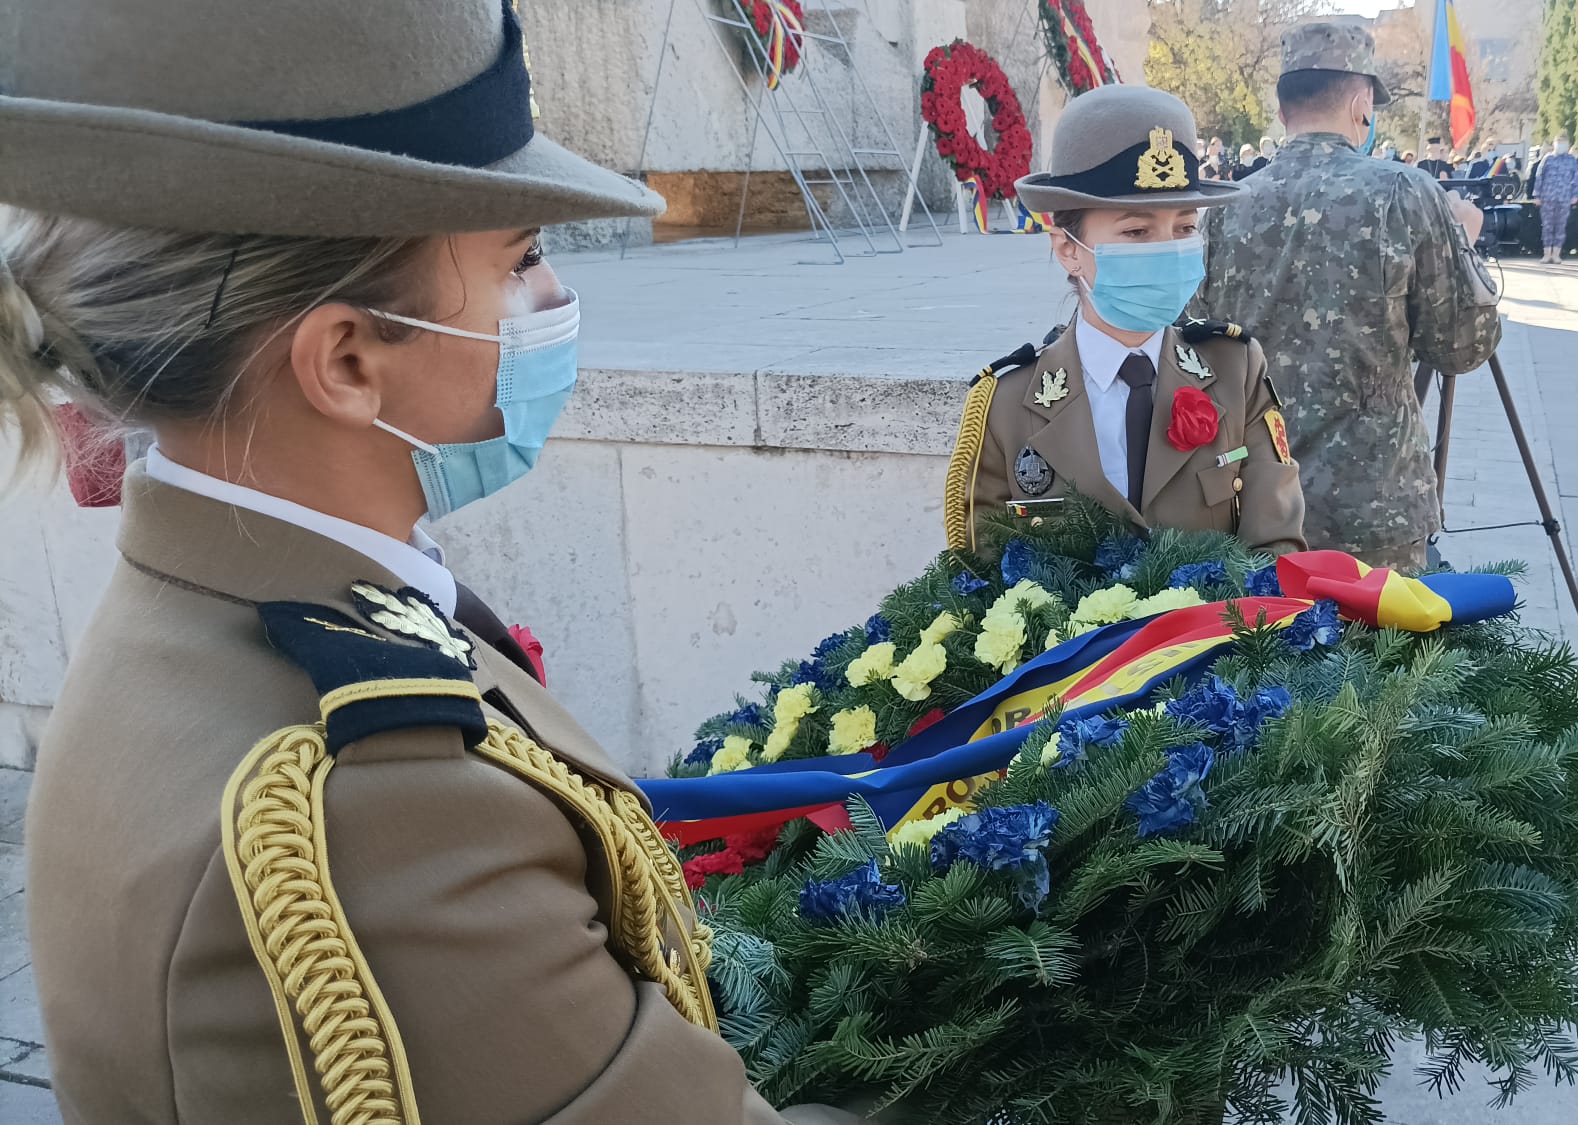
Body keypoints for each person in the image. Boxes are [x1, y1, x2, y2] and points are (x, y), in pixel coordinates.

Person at [0, 1, 873, 1122]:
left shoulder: (243, 603)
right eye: (520, 258)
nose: (553, 301)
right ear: (350, 360)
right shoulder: (375, 809)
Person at [1192, 21, 1500, 572]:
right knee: (1385, 657)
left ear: (1283, 110)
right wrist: (1465, 248)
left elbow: (1196, 343)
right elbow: (1462, 346)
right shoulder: (1403, 193)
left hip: (1254, 498)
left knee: (1264, 652)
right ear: (1362, 103)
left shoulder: (1227, 205)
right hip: (1372, 511)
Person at [948, 84, 1305, 558]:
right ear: (1067, 249)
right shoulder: (1007, 406)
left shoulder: (1236, 370)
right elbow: (981, 583)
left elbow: (1276, 548)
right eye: (1137, 231)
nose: (1167, 248)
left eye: (1184, 228)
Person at [1534, 136, 1578, 264]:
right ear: (1554, 144)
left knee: (1560, 226)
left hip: (1564, 197)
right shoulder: (1548, 159)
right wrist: (1537, 195)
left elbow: (1576, 178)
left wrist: (1575, 195)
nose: (1561, 146)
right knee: (1547, 226)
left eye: (1564, 144)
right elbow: (1539, 177)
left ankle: (1556, 254)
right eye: (1559, 143)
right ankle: (1547, 253)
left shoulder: (1571, 160)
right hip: (1547, 197)